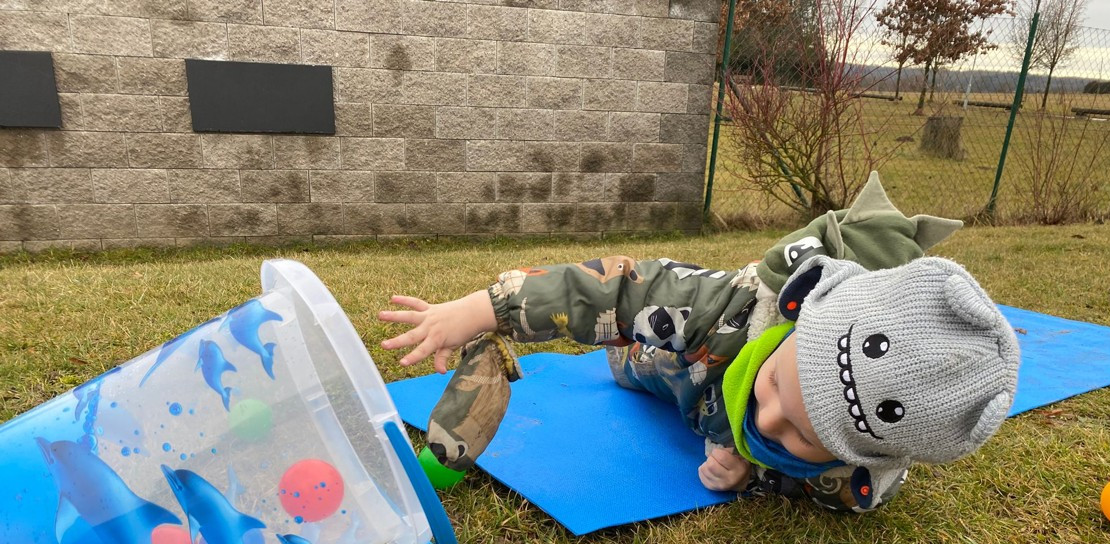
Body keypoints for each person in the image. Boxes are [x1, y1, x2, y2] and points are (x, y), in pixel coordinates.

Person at [378, 173, 1021, 512]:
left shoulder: (859, 469)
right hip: (666, 358)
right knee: (627, 360)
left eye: (802, 434)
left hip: (710, 401)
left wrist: (754, 474)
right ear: (796, 317)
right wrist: (483, 311)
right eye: (776, 385)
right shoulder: (720, 310)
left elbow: (822, 487)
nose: (767, 418)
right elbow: (615, 291)